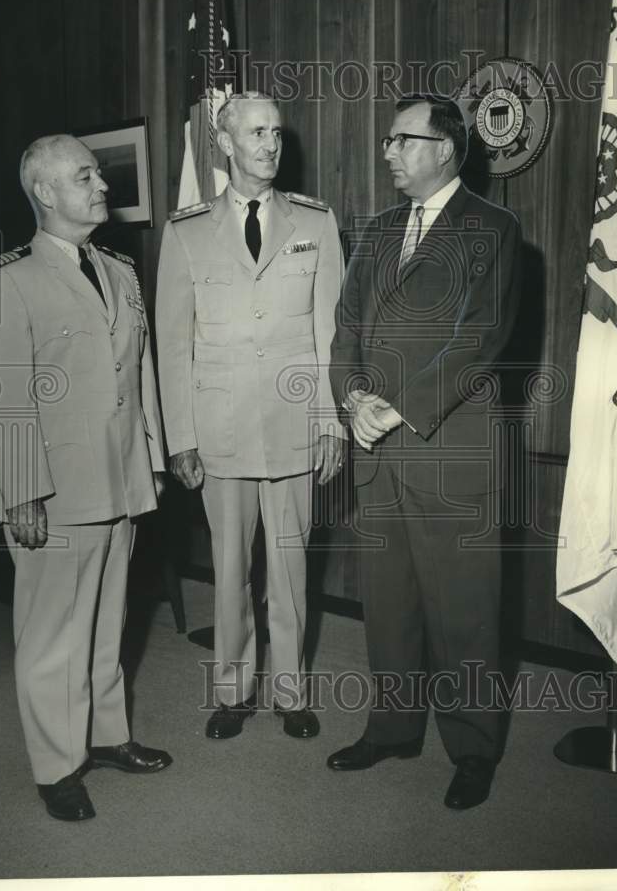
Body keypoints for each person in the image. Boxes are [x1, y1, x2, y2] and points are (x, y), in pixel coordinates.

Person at [327, 95, 521, 810]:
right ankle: (392, 728)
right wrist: (351, 398)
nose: (388, 152)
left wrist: (395, 407)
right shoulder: (376, 230)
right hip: (374, 450)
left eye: (402, 140)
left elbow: (479, 338)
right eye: (387, 140)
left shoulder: (493, 229)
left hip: (446, 449)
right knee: (388, 603)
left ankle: (472, 748)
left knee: (464, 611)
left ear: (445, 148)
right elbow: (346, 326)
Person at [0, 134, 172, 822]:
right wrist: (23, 489)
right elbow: (5, 392)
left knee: (106, 621)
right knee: (52, 632)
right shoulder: (10, 278)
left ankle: (108, 735)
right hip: (54, 491)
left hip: (118, 480)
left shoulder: (118, 269)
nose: (101, 186)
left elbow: (136, 373)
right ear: (46, 193)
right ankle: (57, 765)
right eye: (85, 176)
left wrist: (150, 456)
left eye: (97, 173)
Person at [156, 92, 345, 740]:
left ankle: (290, 691)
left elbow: (330, 336)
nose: (270, 144)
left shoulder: (316, 223)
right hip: (220, 434)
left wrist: (330, 420)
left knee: (290, 571)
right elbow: (173, 345)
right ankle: (232, 690)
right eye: (256, 132)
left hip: (295, 428)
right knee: (229, 569)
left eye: (277, 133)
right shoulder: (184, 231)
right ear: (225, 144)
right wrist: (180, 438)